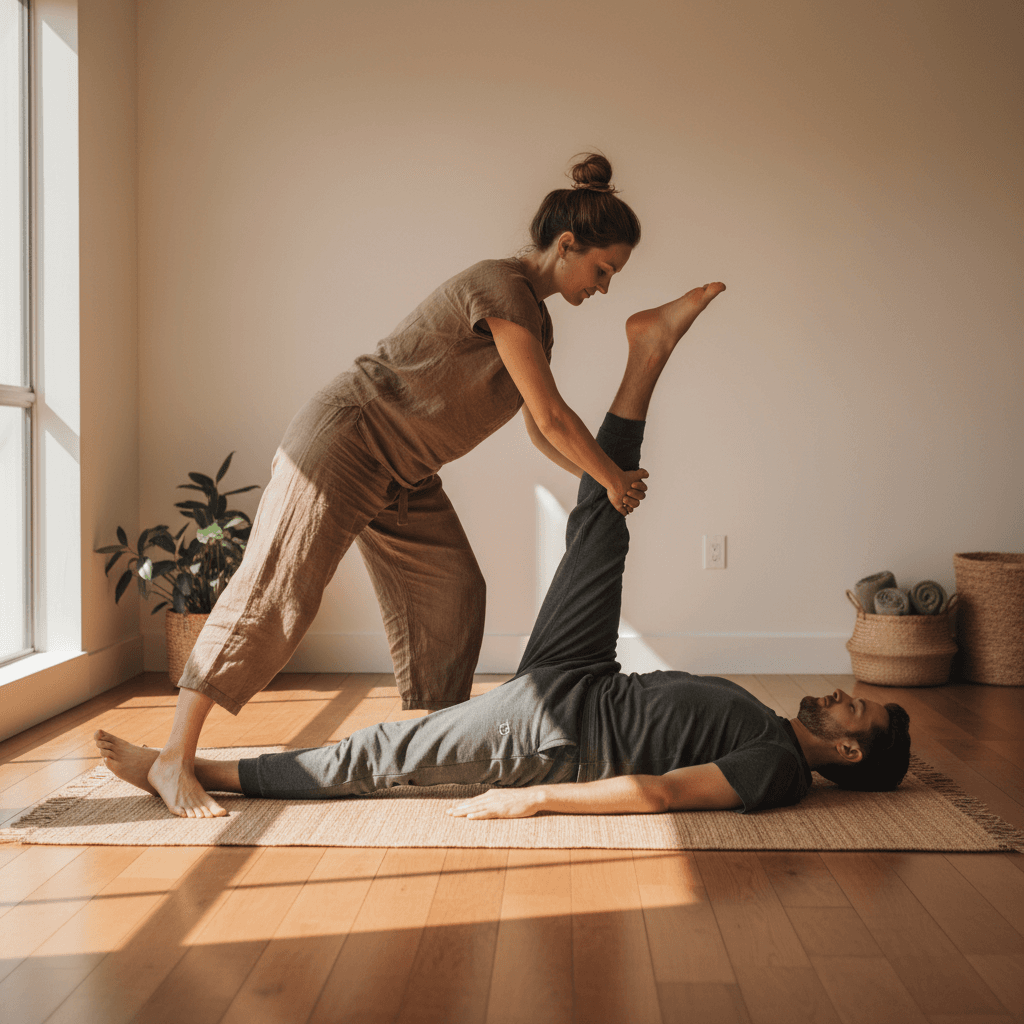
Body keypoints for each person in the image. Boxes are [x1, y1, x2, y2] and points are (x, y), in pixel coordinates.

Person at [96, 282, 912, 818]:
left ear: (847, 751)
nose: (843, 696)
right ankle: (646, 354)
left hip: (557, 733)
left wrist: (538, 803)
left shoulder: (777, 770)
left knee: (379, 756)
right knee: (601, 524)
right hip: (588, 675)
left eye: (855, 712)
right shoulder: (765, 721)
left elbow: (659, 793)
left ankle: (201, 769)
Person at [141, 153, 652, 818]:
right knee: (277, 589)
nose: (604, 287)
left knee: (450, 587)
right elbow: (553, 417)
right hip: (347, 440)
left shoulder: (534, 318)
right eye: (603, 270)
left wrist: (601, 481)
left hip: (401, 470)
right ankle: (173, 759)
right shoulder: (501, 287)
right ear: (566, 246)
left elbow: (537, 430)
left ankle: (423, 746)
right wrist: (610, 476)